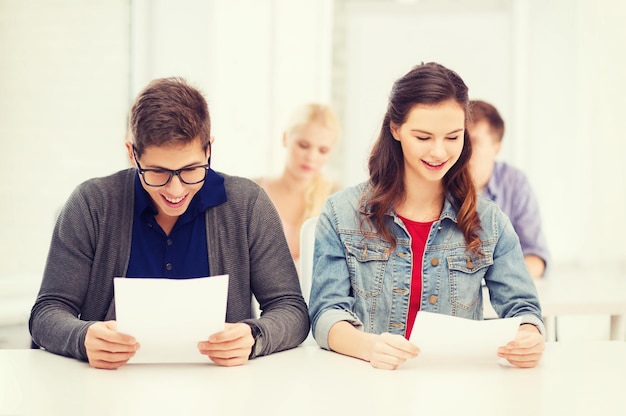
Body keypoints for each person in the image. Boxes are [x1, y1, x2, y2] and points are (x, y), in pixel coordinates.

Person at [29, 77, 309, 369]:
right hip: (109, 388)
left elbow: (291, 310)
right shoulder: (93, 203)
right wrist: (83, 337)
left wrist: (254, 336)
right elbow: (46, 313)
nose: (175, 191)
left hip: (223, 391)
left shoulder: (247, 204)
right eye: (158, 172)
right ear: (132, 153)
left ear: (209, 149)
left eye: (190, 169)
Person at [308, 62, 545, 370]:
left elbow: (523, 308)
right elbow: (327, 313)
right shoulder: (342, 213)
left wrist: (528, 335)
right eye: (423, 137)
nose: (439, 152)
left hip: (453, 386)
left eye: (452, 137)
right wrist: (369, 346)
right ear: (395, 128)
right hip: (369, 383)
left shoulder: (490, 220)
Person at [467, 100, 550, 278]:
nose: (463, 150)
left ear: (496, 149)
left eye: (474, 142)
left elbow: (536, 257)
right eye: (460, 139)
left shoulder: (515, 183)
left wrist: (497, 278)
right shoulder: (437, 178)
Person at [255, 103, 341, 266]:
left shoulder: (338, 199)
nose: (311, 157)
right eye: (303, 145)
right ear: (285, 138)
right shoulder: (254, 192)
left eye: (322, 150)